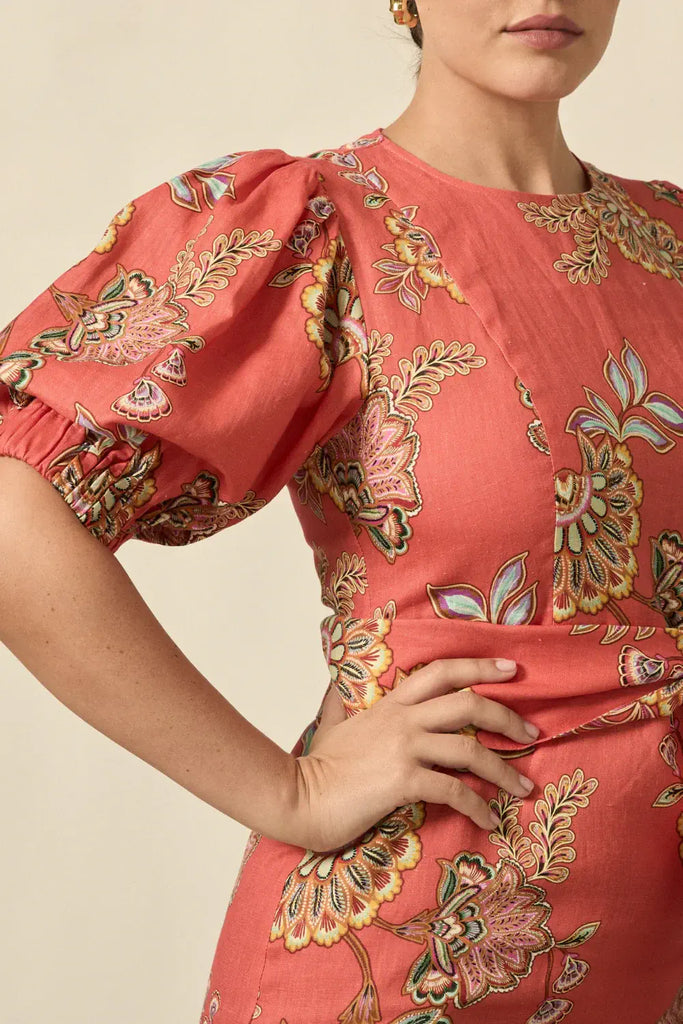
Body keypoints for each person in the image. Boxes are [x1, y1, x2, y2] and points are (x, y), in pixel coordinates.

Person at [0, 1, 681, 1021]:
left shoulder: (669, 242)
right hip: (410, 947)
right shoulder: (316, 222)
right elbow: (17, 505)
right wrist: (291, 792)